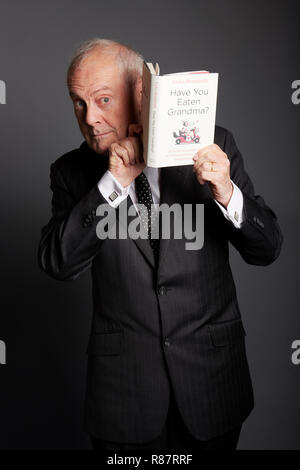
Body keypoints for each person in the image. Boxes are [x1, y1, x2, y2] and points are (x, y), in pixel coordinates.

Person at [38, 38, 283, 453]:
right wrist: (111, 185)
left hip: (212, 384)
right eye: (78, 103)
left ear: (141, 92)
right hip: (124, 397)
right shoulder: (71, 172)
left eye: (102, 100)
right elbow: (58, 262)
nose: (90, 118)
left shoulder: (211, 143)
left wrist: (226, 190)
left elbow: (267, 248)